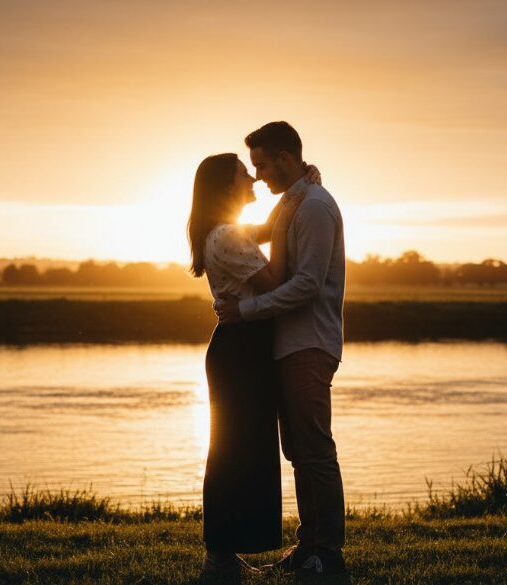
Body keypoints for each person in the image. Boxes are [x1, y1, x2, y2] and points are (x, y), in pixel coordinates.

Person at [215, 121, 347, 577]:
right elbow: (262, 231)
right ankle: (308, 546)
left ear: (286, 159)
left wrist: (246, 312)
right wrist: (214, 225)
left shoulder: (313, 207)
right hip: (289, 344)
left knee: (314, 450)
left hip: (309, 342)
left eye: (263, 164)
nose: (258, 176)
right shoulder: (295, 200)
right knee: (298, 451)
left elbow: (308, 285)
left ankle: (327, 554)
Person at [187, 152, 321, 580]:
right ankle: (219, 557)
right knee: (235, 452)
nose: (254, 179)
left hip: (242, 348)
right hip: (241, 350)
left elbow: (266, 232)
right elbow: (276, 283)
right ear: (227, 186)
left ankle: (224, 555)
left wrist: (297, 195)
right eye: (245, 174)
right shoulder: (227, 235)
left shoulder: (229, 232)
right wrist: (300, 199)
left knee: (241, 450)